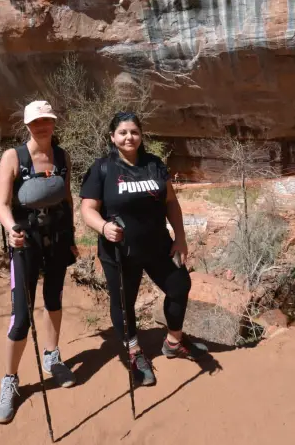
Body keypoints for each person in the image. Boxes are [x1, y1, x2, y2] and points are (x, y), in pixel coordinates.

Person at [80, 111, 207, 387]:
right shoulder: (102, 169)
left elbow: (171, 202)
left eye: (134, 132)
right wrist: (103, 227)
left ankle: (173, 342)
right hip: (120, 251)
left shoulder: (154, 164)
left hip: (158, 245)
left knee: (179, 286)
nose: (129, 137)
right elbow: (87, 209)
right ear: (113, 137)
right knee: (124, 305)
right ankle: (134, 351)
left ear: (141, 136)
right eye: (123, 132)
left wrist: (180, 237)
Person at [0, 100, 79, 424]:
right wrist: (12, 228)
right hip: (24, 242)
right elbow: (2, 204)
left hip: (56, 239)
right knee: (21, 316)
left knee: (53, 300)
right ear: (27, 125)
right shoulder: (13, 158)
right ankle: (10, 380)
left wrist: (70, 237)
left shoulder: (62, 156)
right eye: (36, 122)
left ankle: (52, 357)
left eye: (47, 120)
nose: (42, 126)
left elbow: (67, 198)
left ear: (53, 123)